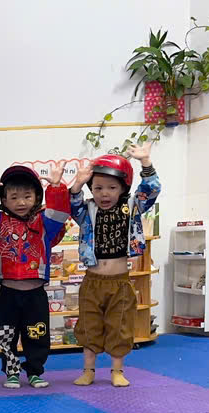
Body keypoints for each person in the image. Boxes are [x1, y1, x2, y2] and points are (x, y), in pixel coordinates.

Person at [70, 143, 161, 387]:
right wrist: (78, 184)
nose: (104, 194)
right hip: (92, 281)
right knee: (89, 325)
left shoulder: (131, 205)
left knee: (120, 325)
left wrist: (145, 162)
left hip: (120, 281)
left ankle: (117, 371)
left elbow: (151, 190)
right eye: (98, 188)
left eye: (112, 188)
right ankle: (88, 370)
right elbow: (72, 204)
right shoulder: (88, 209)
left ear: (123, 188)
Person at [0, 163, 71, 389]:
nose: (21, 202)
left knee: (37, 334)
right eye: (14, 197)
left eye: (27, 196)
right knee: (5, 335)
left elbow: (60, 213)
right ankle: (12, 372)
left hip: (35, 294)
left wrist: (56, 187)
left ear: (37, 197)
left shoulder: (44, 222)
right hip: (8, 293)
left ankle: (35, 372)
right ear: (4, 200)